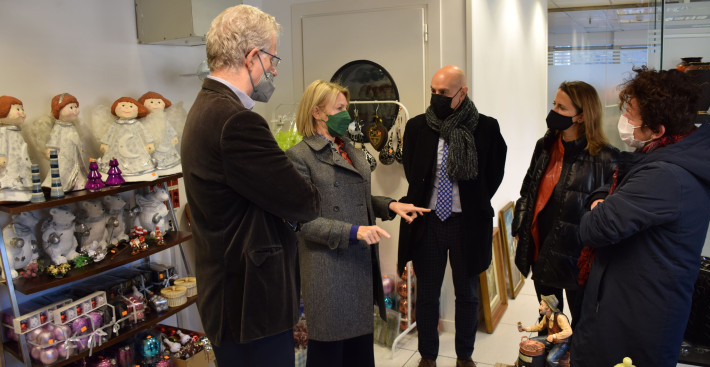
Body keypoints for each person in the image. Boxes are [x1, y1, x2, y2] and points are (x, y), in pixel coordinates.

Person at [180, 5, 320, 367]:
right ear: (252, 56)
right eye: (272, 59)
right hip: (250, 304)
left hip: (229, 295)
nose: (274, 69)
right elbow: (304, 202)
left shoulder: (205, 107)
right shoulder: (236, 121)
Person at [571, 67, 710, 367]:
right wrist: (603, 201)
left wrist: (601, 206)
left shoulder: (664, 174)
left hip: (638, 324)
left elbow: (593, 228)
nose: (624, 120)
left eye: (631, 113)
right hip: (625, 308)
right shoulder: (658, 157)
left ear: (658, 130)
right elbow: (604, 191)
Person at [286, 80, 430, 367]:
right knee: (330, 353)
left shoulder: (348, 148)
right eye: (339, 108)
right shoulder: (300, 157)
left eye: (346, 108)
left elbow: (356, 198)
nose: (347, 115)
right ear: (317, 112)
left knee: (359, 353)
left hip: (358, 266)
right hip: (328, 271)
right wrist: (354, 232)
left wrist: (390, 205)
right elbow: (303, 222)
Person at [398, 65, 507, 367]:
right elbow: (413, 173)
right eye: (433, 91)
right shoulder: (418, 127)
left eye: (443, 93)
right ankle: (428, 356)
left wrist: (473, 201)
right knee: (428, 295)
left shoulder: (486, 128)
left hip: (466, 224)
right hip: (429, 222)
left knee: (467, 294)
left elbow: (493, 174)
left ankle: (464, 356)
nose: (436, 98)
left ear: (463, 92)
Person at [512, 81, 619, 326]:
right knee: (548, 321)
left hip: (577, 260)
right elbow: (528, 189)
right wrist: (520, 225)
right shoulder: (545, 146)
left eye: (562, 108)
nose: (554, 112)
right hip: (542, 251)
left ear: (582, 116)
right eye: (554, 105)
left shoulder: (606, 158)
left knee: (582, 326)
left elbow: (606, 217)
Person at [517, 294, 572, 367]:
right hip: (551, 340)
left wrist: (554, 336)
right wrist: (526, 329)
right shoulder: (547, 317)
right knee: (529, 342)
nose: (539, 307)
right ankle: (538, 362)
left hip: (562, 343)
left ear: (548, 308)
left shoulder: (560, 318)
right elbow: (539, 327)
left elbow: (569, 331)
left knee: (551, 360)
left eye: (542, 305)